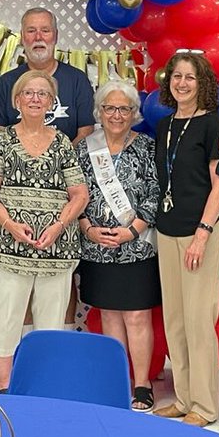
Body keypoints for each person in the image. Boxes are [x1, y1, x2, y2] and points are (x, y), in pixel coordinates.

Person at [0, 70, 89, 393]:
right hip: (8, 246)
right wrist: (10, 225)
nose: (35, 99)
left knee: (51, 322)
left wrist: (58, 226)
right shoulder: (3, 141)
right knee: (5, 315)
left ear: (52, 102)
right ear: (17, 100)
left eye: (43, 94)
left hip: (56, 248)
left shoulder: (63, 142)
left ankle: (44, 386)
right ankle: (4, 384)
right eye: (28, 93)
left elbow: (80, 194)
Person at [151, 51, 219, 428]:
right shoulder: (165, 126)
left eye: (190, 77)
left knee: (199, 321)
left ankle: (204, 405)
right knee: (176, 320)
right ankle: (184, 398)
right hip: (168, 229)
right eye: (177, 76)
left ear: (203, 85)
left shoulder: (214, 125)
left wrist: (203, 233)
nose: (182, 83)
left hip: (202, 232)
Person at [76, 80, 160, 412]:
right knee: (109, 314)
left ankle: (142, 384)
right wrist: (87, 228)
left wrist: (132, 231)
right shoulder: (85, 148)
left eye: (124, 109)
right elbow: (75, 194)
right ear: (99, 111)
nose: (116, 115)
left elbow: (155, 194)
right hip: (96, 246)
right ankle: (119, 381)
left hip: (137, 246)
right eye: (109, 108)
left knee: (137, 315)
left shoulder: (148, 148)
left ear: (134, 113)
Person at [0, 7, 95, 143]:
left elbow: (86, 131)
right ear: (22, 37)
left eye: (45, 31)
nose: (38, 37)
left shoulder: (78, 80)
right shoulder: (6, 82)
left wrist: (63, 155)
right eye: (31, 31)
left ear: (56, 36)